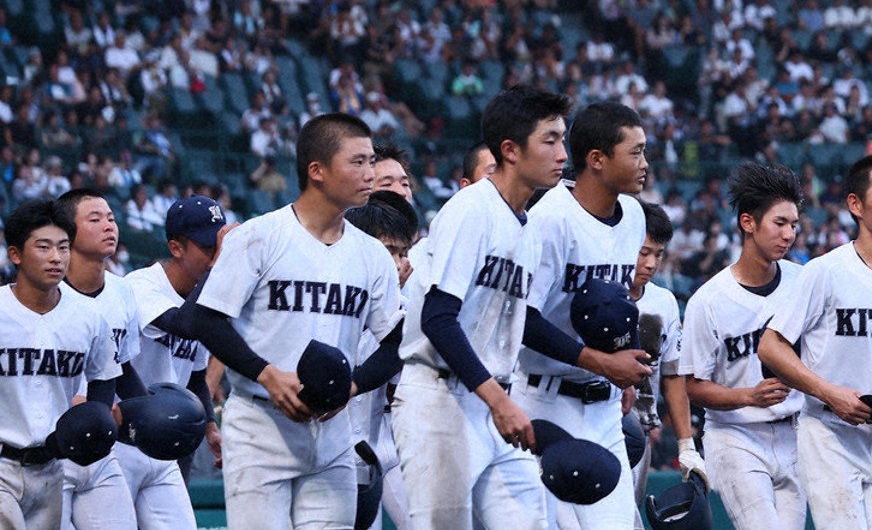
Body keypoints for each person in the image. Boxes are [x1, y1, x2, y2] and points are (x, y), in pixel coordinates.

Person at [395, 88, 647, 529]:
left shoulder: (526, 226)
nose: (562, 154)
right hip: (440, 399)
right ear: (510, 150)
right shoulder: (471, 210)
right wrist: (498, 399)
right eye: (549, 140)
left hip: (493, 400)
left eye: (562, 140)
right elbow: (437, 317)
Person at [166, 113, 405, 528]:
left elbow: (395, 342)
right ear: (317, 170)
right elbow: (205, 320)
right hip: (261, 426)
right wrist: (266, 374)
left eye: (371, 162)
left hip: (333, 433)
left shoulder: (370, 254)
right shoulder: (260, 236)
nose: (370, 174)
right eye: (358, 162)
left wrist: (352, 386)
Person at [757, 154, 872, 528]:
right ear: (856, 205)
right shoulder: (825, 271)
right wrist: (829, 392)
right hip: (829, 433)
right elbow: (771, 346)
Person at [513, 99, 653, 529]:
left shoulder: (632, 215)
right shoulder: (551, 219)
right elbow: (522, 319)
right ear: (596, 159)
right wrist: (603, 362)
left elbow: (616, 305)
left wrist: (623, 358)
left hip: (605, 408)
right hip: (543, 403)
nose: (645, 163)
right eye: (635, 152)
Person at [679, 162, 808, 529]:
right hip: (736, 435)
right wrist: (748, 396)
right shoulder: (710, 299)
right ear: (748, 222)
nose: (788, 234)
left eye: (794, 225)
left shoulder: (804, 282)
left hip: (795, 433)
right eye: (779, 223)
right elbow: (694, 386)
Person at [0, 199, 119, 530]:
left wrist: (94, 421)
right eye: (44, 247)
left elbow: (105, 376)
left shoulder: (88, 317)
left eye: (64, 247)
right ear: (15, 254)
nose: (56, 257)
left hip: (53, 467)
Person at [119, 196, 227, 529]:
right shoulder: (141, 286)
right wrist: (217, 269)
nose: (216, 257)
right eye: (209, 248)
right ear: (176, 248)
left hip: (170, 439)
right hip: (123, 440)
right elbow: (183, 324)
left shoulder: (199, 297)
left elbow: (195, 376)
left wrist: (210, 425)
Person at [55, 189, 144, 530]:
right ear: (68, 233)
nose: (109, 226)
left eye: (110, 218)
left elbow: (121, 365)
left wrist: (143, 408)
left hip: (101, 443)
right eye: (95, 220)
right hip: (49, 445)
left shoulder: (122, 291)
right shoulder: (44, 296)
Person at [628, 200, 705, 529]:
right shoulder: (596, 291)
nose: (650, 263)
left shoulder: (664, 301)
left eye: (658, 254)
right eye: (643, 252)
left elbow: (673, 375)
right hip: (600, 420)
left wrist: (686, 443)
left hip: (642, 432)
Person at [344, 195, 419, 530]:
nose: (401, 262)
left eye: (403, 252)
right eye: (390, 250)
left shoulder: (410, 308)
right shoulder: (332, 302)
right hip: (338, 450)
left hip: (389, 444)